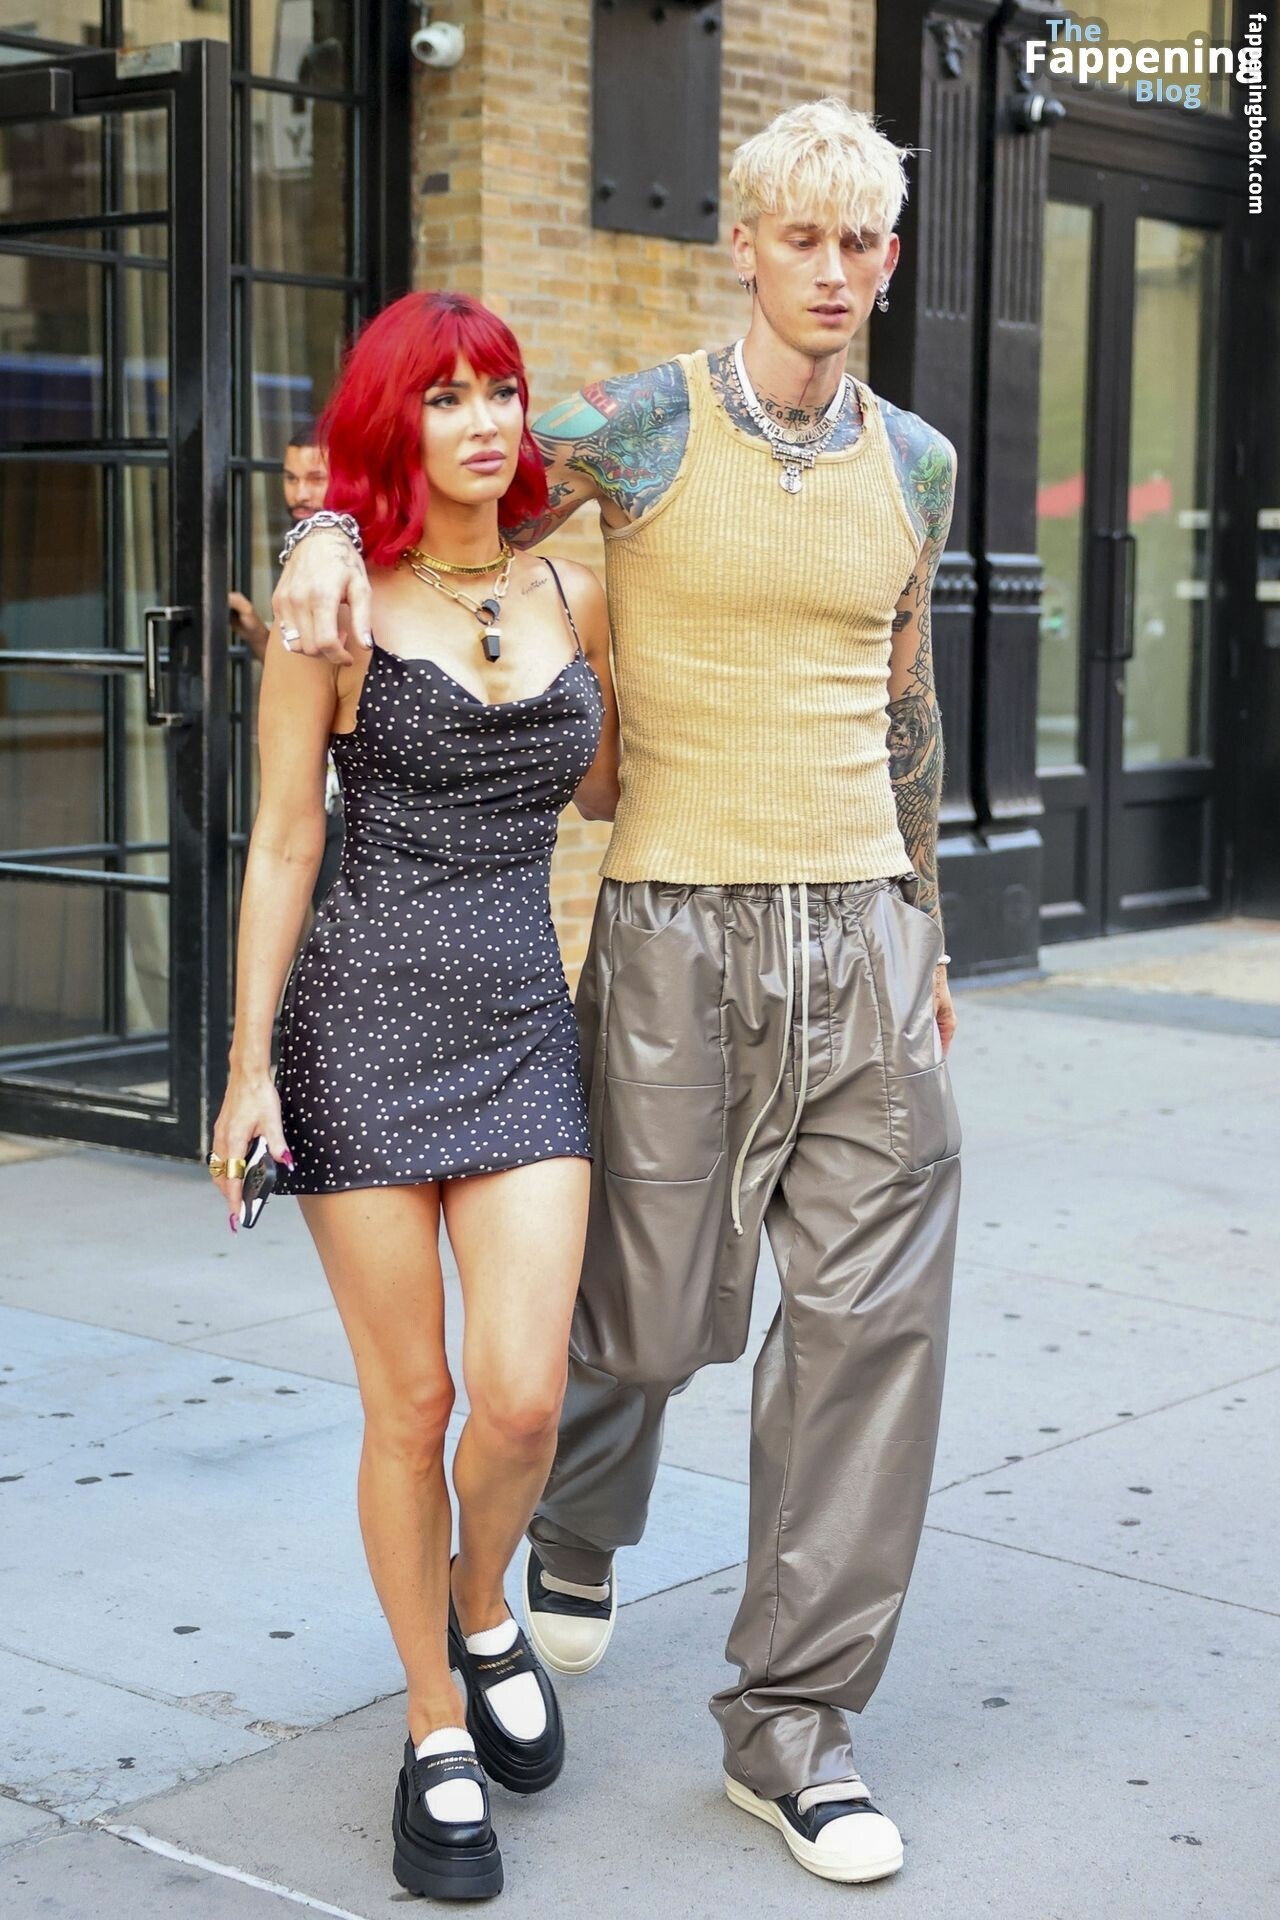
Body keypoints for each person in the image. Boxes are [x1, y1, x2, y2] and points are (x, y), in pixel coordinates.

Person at [271, 98, 961, 1889]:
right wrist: (322, 535)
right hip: (672, 925)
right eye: (800, 238)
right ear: (744, 246)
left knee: (872, 1334)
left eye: (861, 243)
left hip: (865, 932)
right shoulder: (639, 425)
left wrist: (933, 925)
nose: (832, 272)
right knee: (641, 1329)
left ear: (890, 260)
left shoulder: (924, 464)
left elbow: (905, 696)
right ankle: (560, 1530)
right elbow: (433, 479)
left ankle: (794, 1730)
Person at [209, 290, 620, 1902]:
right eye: (443, 397)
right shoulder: (334, 614)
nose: (484, 420)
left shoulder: (580, 589)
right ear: (396, 423)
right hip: (361, 1030)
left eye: (499, 389)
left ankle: (480, 1598)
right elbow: (282, 842)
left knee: (523, 1401)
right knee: (416, 1405)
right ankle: (434, 1718)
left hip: (521, 1023)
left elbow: (614, 780)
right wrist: (247, 1069)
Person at [229, 428, 345, 907]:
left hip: (357, 797)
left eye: (315, 478)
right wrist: (258, 634)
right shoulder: (304, 552)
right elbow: (313, 670)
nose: (300, 493)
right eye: (290, 478)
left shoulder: (348, 561)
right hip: (320, 793)